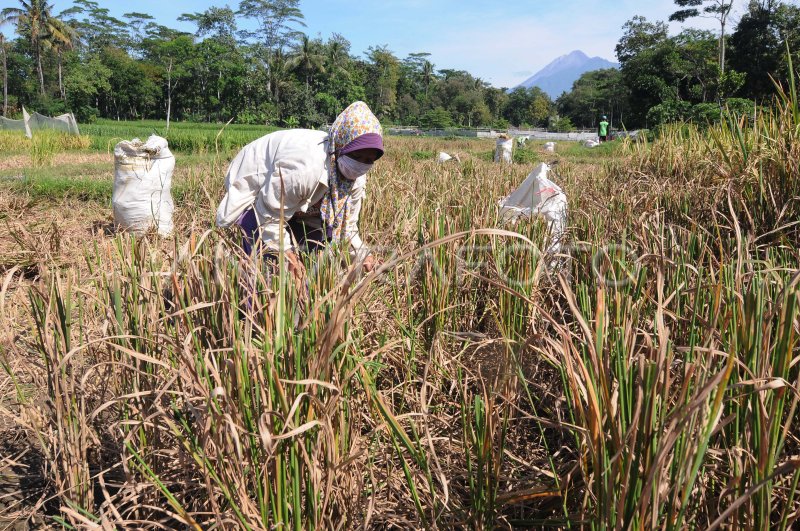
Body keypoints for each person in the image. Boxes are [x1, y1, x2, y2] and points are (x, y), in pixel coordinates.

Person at [215, 101, 384, 278]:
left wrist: (364, 255)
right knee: (264, 255)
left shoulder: (356, 178)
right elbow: (270, 214)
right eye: (356, 156)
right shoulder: (304, 169)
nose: (360, 164)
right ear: (341, 146)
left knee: (318, 248)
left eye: (368, 160)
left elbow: (346, 226)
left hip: (293, 194)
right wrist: (287, 254)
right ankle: (256, 295)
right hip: (259, 182)